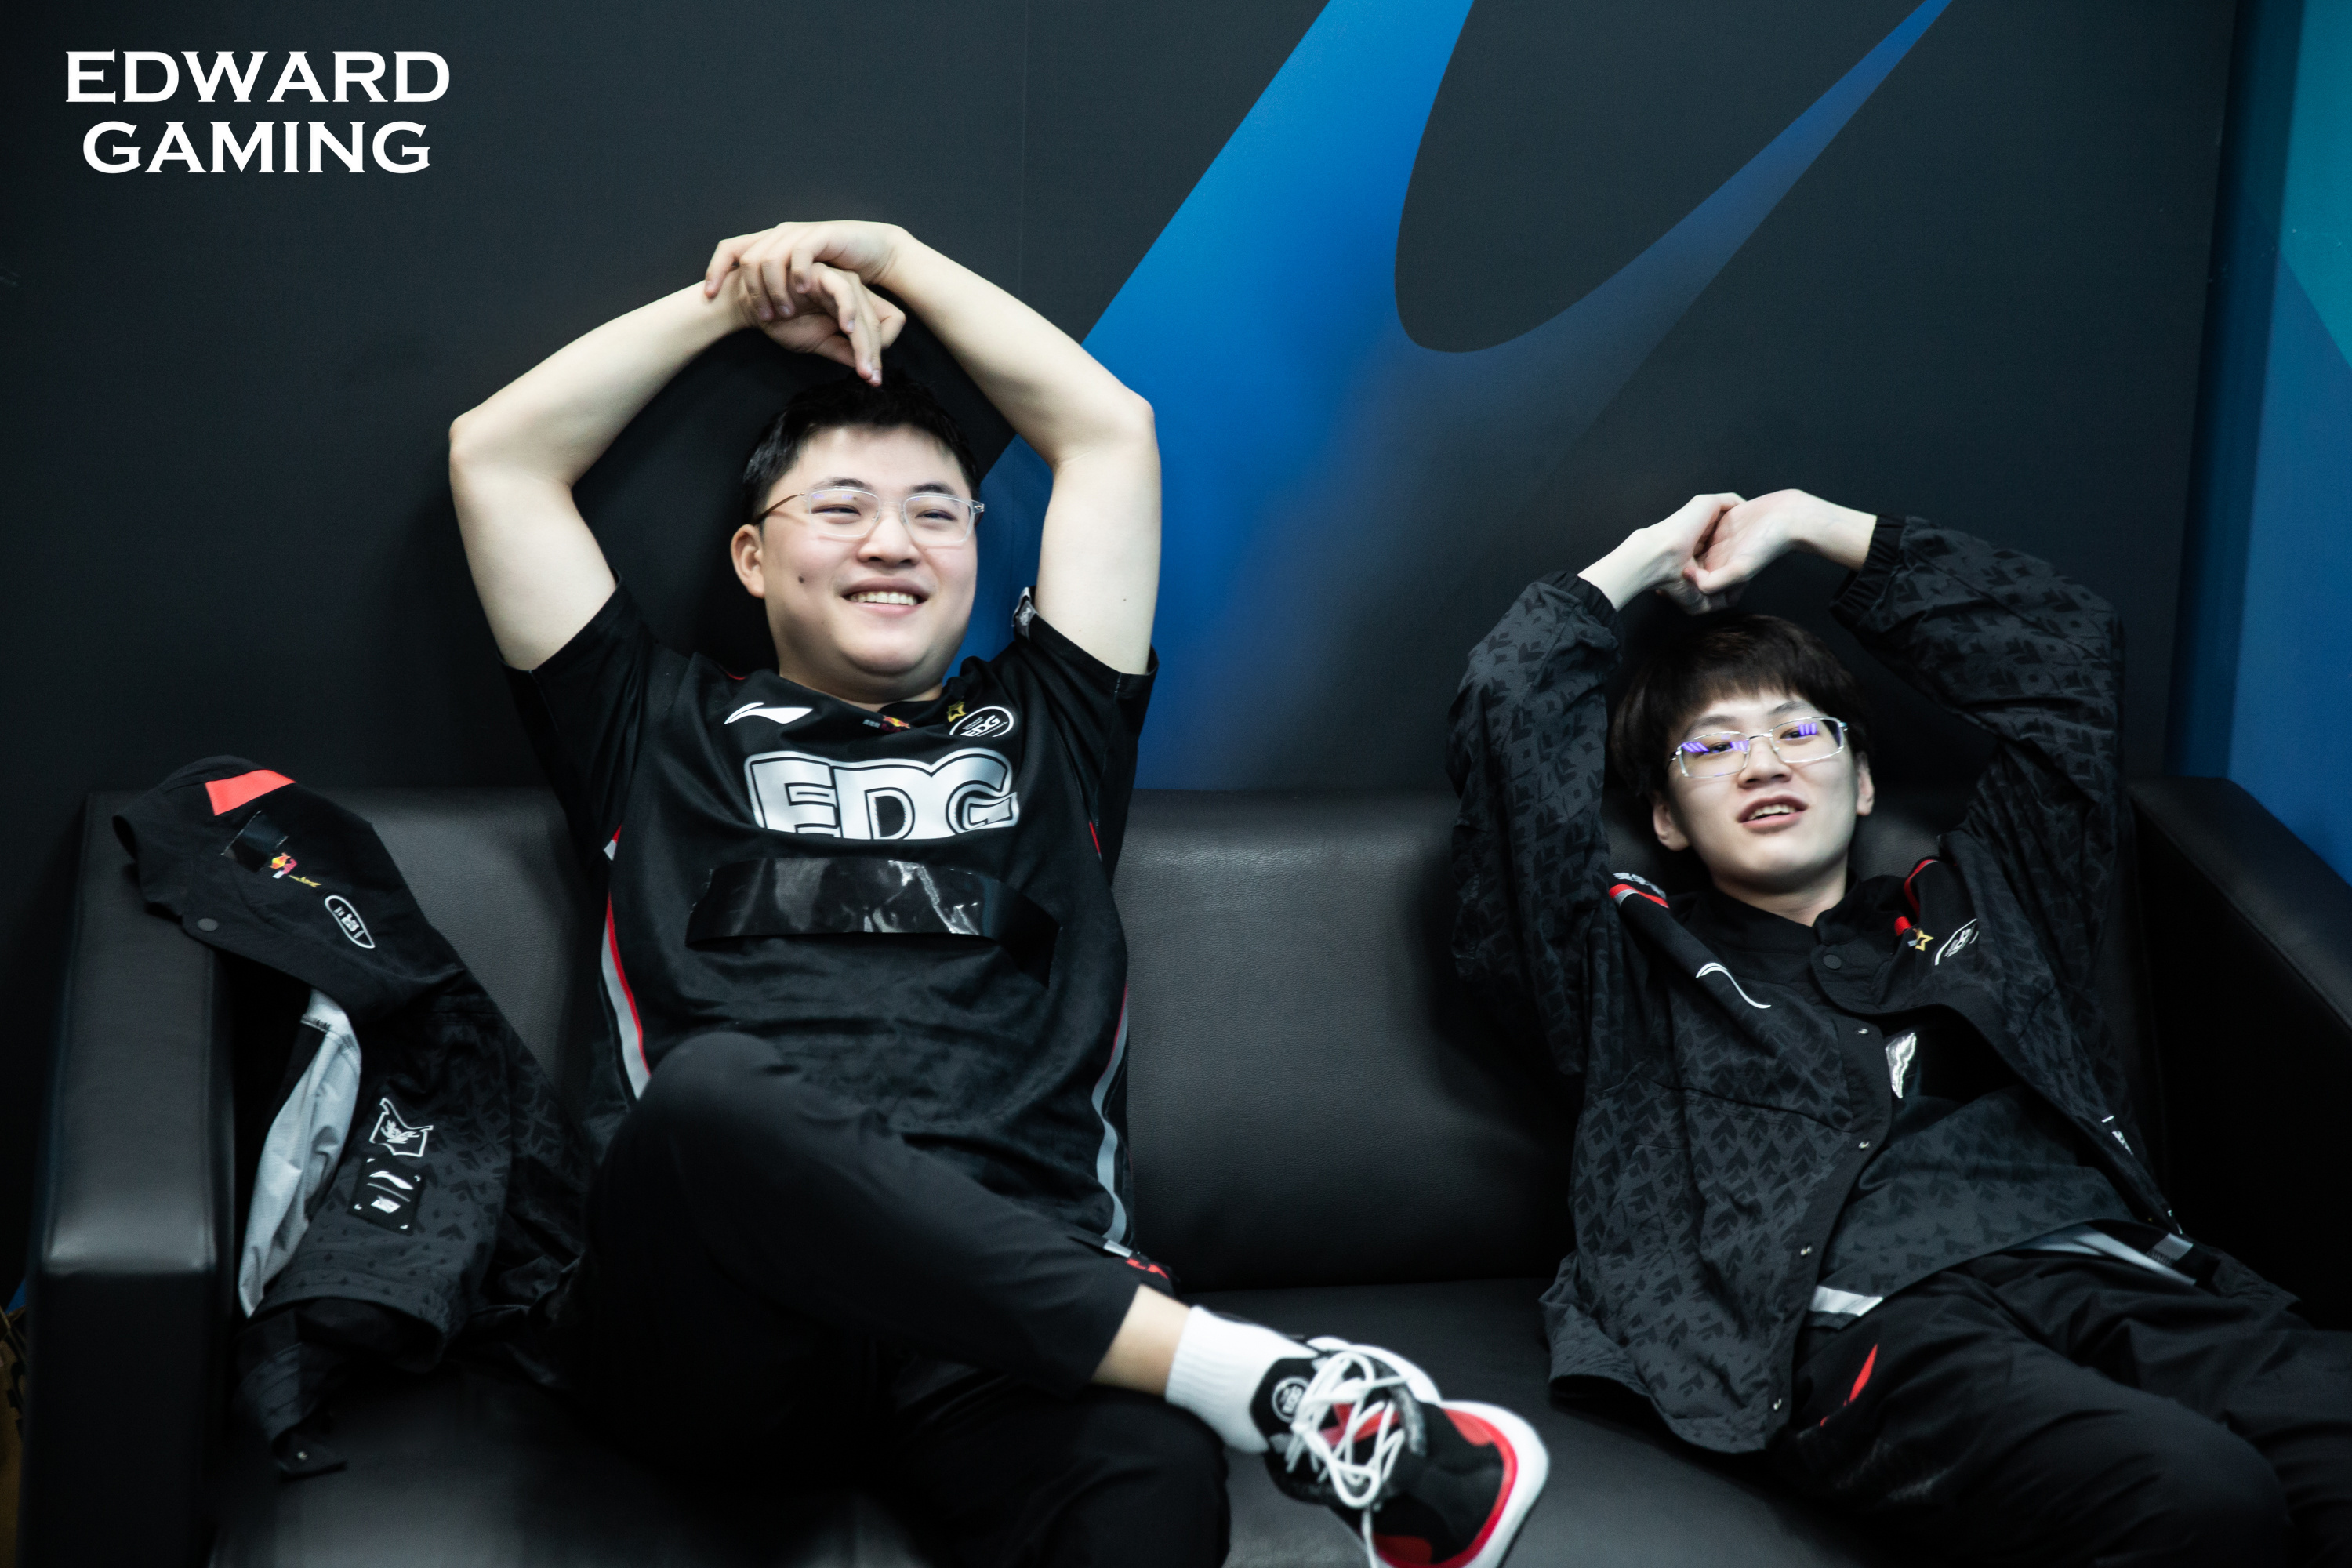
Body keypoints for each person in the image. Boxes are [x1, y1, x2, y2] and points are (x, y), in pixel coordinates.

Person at [448, 218, 1547, 1567]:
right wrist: (738, 301)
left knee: (1153, 1489)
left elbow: (1109, 434)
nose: (892, 543)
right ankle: (1255, 1381)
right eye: (839, 510)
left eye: (935, 512)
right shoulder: (649, 722)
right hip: (727, 1327)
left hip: (1009, 1324)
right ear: (751, 557)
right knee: (711, 1098)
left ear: (977, 552)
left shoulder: (1051, 728)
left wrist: (895, 258)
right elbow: (498, 457)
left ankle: (1211, 1391)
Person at [1448, 490, 2352, 1566]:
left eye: (1800, 732)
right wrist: (1651, 554)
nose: (1765, 763)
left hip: (2097, 1264)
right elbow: (1510, 705)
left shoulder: (1994, 900)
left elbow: (2066, 654)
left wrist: (1803, 521)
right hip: (1859, 1315)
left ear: (1865, 781)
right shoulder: (1626, 963)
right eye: (1712, 749)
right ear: (1663, 819)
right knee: (2197, 1493)